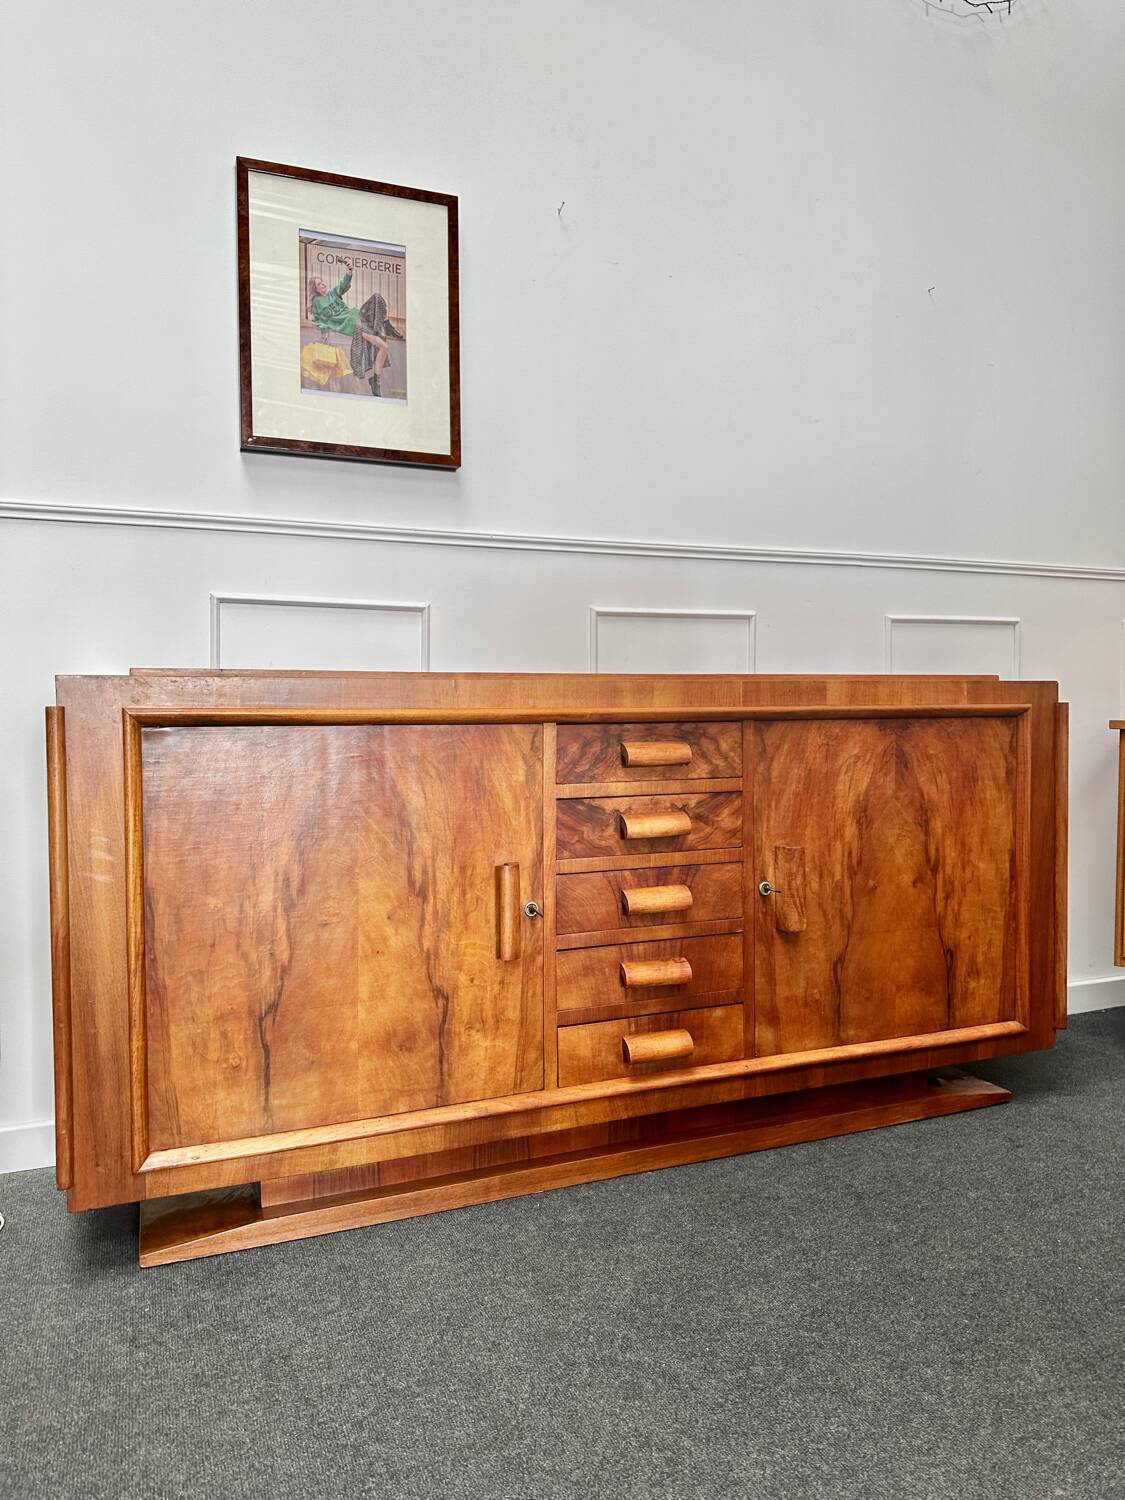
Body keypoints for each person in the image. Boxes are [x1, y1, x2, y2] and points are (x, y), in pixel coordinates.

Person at [348, 290, 403, 397]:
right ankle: (375, 382)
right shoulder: (363, 317)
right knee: (384, 347)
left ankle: (376, 382)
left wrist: (394, 331)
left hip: (369, 332)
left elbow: (386, 326)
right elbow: (360, 327)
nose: (382, 313)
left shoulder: (379, 318)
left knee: (382, 349)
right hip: (363, 331)